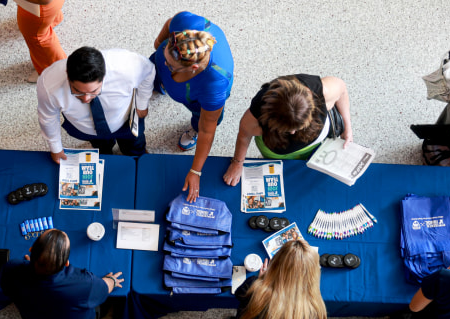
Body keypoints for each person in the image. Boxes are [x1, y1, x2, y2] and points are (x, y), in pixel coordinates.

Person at [151, 11, 234, 202]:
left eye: (171, 66)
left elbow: (207, 129)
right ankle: (161, 82)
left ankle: (191, 131)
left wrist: (195, 171)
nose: (165, 62)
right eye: (166, 55)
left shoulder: (214, 85)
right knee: (158, 68)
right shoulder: (186, 24)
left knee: (200, 119)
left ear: (193, 68)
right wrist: (159, 43)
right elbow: (171, 21)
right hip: (175, 76)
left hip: (195, 97)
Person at [0, 229, 123, 319]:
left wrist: (28, 265)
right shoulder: (84, 283)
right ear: (66, 263)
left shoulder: (12, 269)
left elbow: (6, 288)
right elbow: (104, 288)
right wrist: (112, 280)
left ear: (31, 251)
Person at [223, 74, 353, 186]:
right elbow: (244, 136)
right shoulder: (257, 116)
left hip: (317, 145)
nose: (292, 133)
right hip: (277, 151)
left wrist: (347, 128)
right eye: (286, 129)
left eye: (299, 127)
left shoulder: (323, 91)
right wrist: (237, 163)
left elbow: (342, 90)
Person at [37, 46, 154, 160]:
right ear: (67, 75)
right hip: (86, 128)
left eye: (94, 91)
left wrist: (142, 103)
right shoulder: (49, 83)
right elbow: (48, 117)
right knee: (101, 148)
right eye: (77, 91)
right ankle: (105, 153)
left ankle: (136, 156)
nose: (86, 99)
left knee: (134, 144)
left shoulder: (127, 66)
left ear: (103, 77)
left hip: (125, 121)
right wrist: (56, 148)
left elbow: (149, 72)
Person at [16, 0, 68, 83]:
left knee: (37, 37)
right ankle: (54, 19)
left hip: (38, 8)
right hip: (51, 6)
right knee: (49, 15)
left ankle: (51, 71)